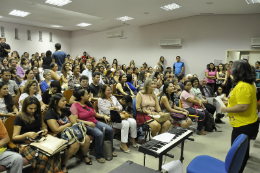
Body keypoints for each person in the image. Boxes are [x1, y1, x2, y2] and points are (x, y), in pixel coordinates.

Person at [220, 60, 259, 173]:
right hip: (249, 122)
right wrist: (228, 100)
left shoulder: (242, 86)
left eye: (233, 68)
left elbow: (243, 106)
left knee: (237, 155)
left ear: (238, 71)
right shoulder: (249, 83)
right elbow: (243, 101)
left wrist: (226, 109)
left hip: (243, 124)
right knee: (243, 150)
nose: (231, 71)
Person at [13, 96, 62, 173]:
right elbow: (14, 137)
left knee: (55, 151)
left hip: (38, 140)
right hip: (25, 143)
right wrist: (26, 134)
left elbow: (43, 125)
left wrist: (45, 129)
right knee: (44, 156)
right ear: (25, 107)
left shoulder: (38, 114)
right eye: (30, 108)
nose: (33, 111)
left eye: (35, 108)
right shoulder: (19, 117)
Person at [45, 93, 92, 173]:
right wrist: (68, 124)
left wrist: (64, 126)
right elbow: (56, 130)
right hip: (58, 135)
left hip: (70, 132)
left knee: (86, 138)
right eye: (63, 101)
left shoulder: (66, 110)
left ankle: (84, 155)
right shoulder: (50, 113)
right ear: (56, 102)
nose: (65, 102)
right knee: (75, 144)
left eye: (65, 100)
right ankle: (63, 164)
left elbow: (73, 122)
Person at [71, 89, 115, 163]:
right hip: (84, 125)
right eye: (87, 94)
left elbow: (95, 114)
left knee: (110, 129)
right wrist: (87, 123)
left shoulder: (88, 103)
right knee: (99, 134)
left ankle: (109, 150)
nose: (89, 95)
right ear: (82, 96)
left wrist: (104, 116)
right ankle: (99, 155)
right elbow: (75, 120)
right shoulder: (74, 106)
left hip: (94, 121)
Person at [98, 84, 137, 153]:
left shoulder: (113, 97)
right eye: (108, 90)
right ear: (103, 91)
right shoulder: (100, 100)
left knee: (133, 121)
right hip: (109, 119)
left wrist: (113, 108)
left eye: (110, 90)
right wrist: (115, 108)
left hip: (118, 116)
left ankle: (133, 139)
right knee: (125, 123)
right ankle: (123, 144)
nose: (110, 91)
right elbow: (106, 111)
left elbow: (120, 107)